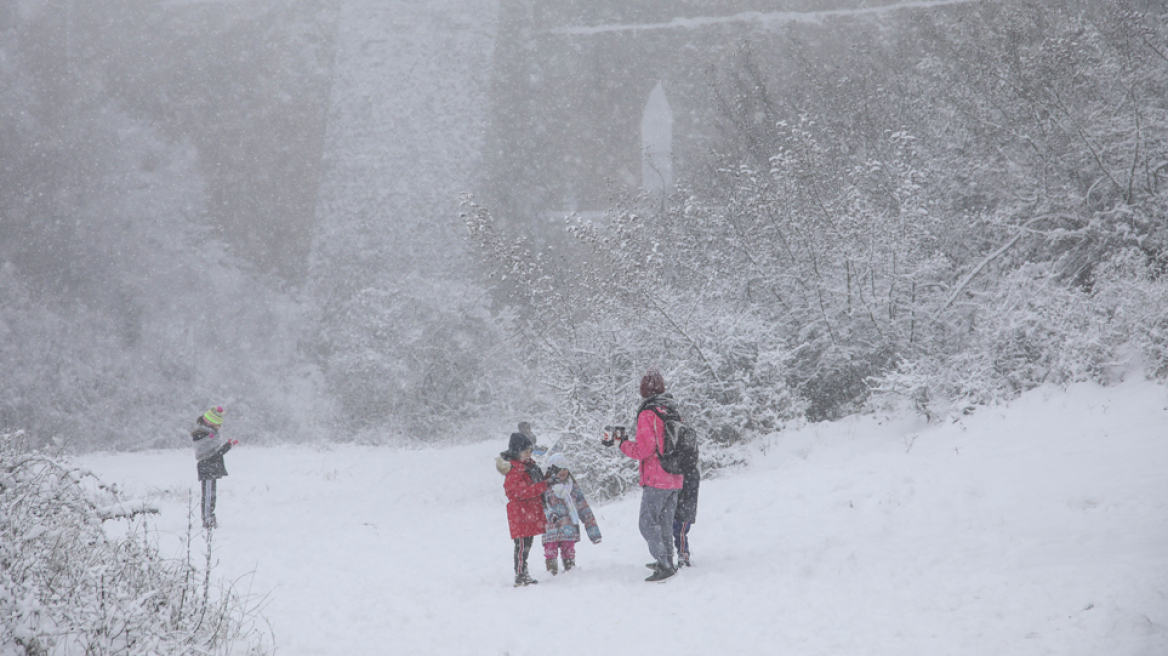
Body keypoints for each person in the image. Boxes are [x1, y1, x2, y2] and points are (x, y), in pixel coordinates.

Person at [617, 368, 684, 582]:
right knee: (664, 522)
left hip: (657, 477)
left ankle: (663, 563)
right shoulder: (672, 410)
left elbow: (645, 450)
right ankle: (668, 560)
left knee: (647, 522)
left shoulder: (647, 414)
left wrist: (623, 444)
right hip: (675, 476)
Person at [499, 432, 549, 587]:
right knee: (521, 547)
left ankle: (523, 572)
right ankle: (520, 574)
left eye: (529, 451)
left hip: (528, 513)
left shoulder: (528, 468)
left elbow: (534, 486)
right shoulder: (514, 471)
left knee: (527, 545)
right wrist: (545, 484)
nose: (528, 454)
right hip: (520, 514)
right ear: (516, 452)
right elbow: (524, 492)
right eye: (525, 451)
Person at [541, 453, 601, 575]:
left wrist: (593, 532)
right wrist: (550, 515)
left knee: (568, 549)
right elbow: (542, 506)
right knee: (550, 549)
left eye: (565, 469)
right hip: (551, 527)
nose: (562, 472)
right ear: (552, 470)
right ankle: (551, 572)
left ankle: (570, 570)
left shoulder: (573, 488)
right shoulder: (545, 487)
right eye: (559, 469)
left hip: (569, 527)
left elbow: (584, 509)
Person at [191, 406, 237, 530]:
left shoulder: (209, 434)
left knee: (211, 496)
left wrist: (227, 446)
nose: (219, 428)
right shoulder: (202, 434)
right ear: (210, 422)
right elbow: (211, 454)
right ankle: (208, 520)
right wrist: (226, 447)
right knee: (208, 496)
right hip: (208, 468)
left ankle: (210, 518)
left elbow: (215, 453)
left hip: (211, 468)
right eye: (217, 425)